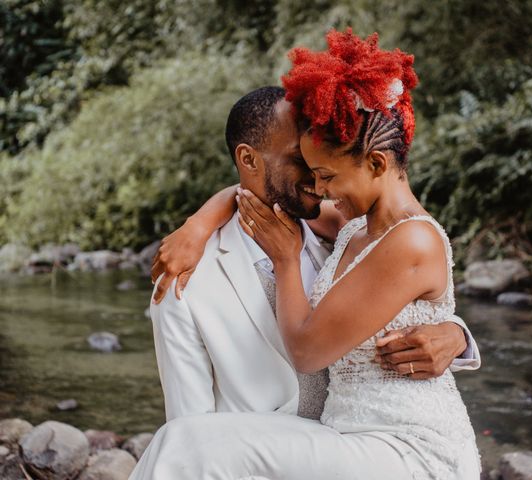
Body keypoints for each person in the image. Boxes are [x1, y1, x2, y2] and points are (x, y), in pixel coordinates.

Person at [133, 29, 480, 479]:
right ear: (249, 160)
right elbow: (192, 428)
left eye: (324, 172)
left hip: (388, 448)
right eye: (305, 165)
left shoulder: (345, 227)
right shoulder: (186, 285)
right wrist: (200, 223)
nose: (318, 187)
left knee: (183, 446)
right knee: (182, 441)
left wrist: (456, 335)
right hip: (306, 452)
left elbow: (408, 290)